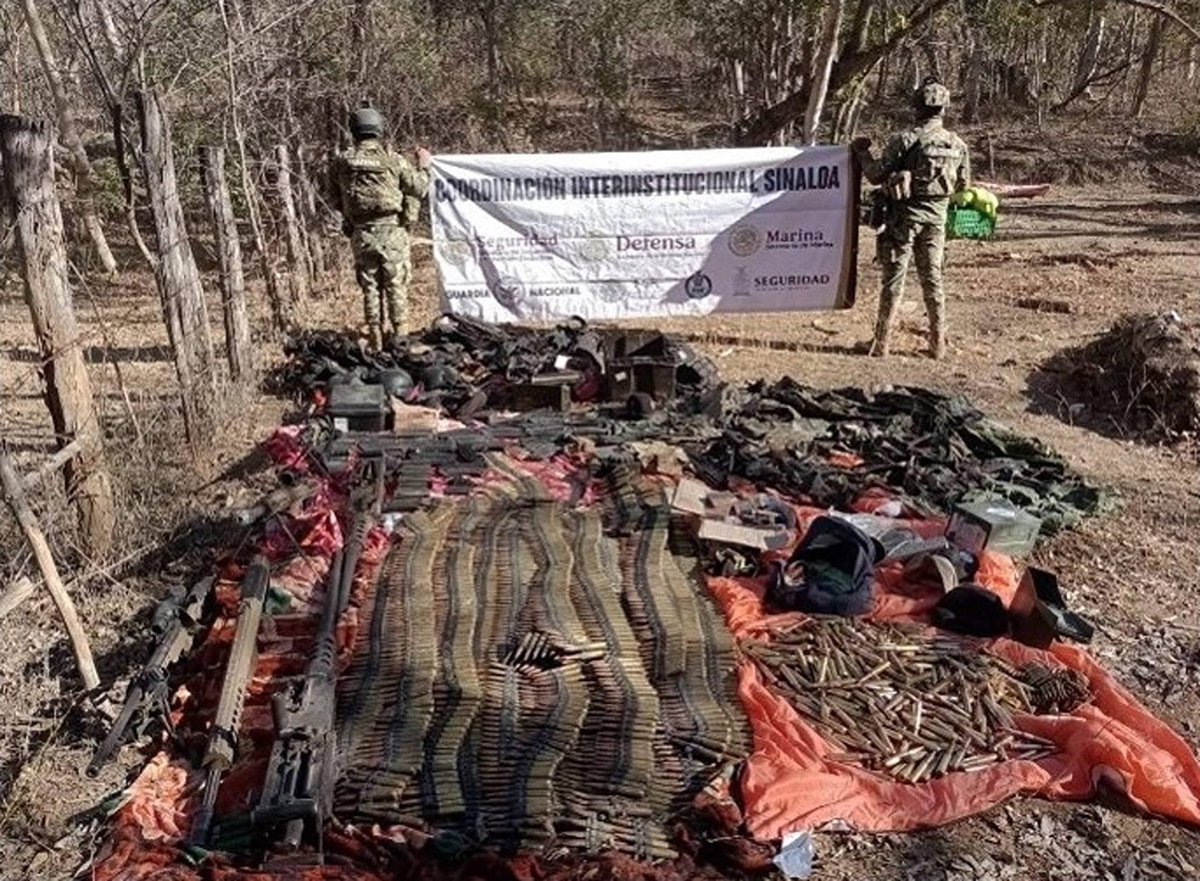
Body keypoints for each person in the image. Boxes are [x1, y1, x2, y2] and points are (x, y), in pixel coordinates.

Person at [852, 78, 970, 359]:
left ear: (916, 107)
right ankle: (937, 344)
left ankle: (881, 343)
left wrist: (861, 152)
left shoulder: (905, 140)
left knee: (894, 279)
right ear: (944, 108)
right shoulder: (958, 144)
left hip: (902, 220)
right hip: (936, 221)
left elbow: (875, 174)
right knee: (933, 279)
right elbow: (963, 186)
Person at [331, 104, 432, 349]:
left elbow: (334, 195)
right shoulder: (392, 160)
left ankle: (375, 335)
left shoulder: (342, 162)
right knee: (396, 284)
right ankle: (401, 337)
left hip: (362, 233)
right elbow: (419, 188)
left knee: (370, 285)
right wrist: (425, 165)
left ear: (354, 130)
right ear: (378, 129)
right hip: (392, 231)